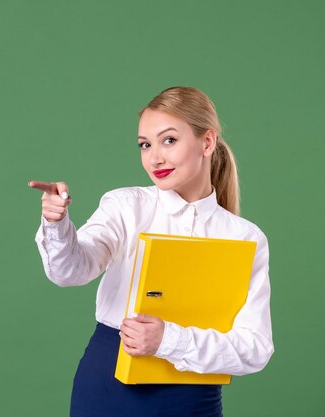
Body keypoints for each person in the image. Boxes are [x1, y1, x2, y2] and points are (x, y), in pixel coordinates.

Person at [28, 86, 274, 417]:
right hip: (108, 387)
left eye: (168, 140)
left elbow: (255, 349)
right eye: (145, 145)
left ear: (207, 142)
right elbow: (71, 271)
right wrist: (56, 224)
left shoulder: (245, 238)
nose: (154, 157)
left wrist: (168, 341)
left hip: (192, 401)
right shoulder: (125, 206)